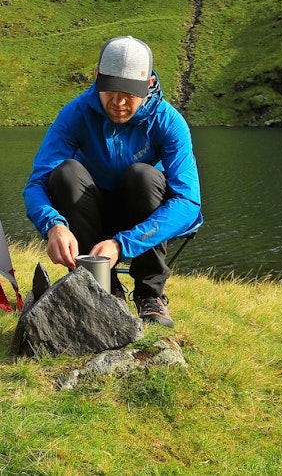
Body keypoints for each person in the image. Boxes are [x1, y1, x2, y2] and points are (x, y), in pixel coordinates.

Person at [22, 35, 203, 327]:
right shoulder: (76, 113)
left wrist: (121, 244)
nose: (119, 103)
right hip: (90, 216)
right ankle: (102, 287)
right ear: (97, 78)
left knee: (142, 175)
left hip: (142, 215)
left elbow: (189, 203)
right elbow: (37, 184)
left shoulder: (169, 122)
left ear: (148, 85)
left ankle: (150, 295)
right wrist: (53, 225)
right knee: (67, 172)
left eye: (130, 93)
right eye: (110, 91)